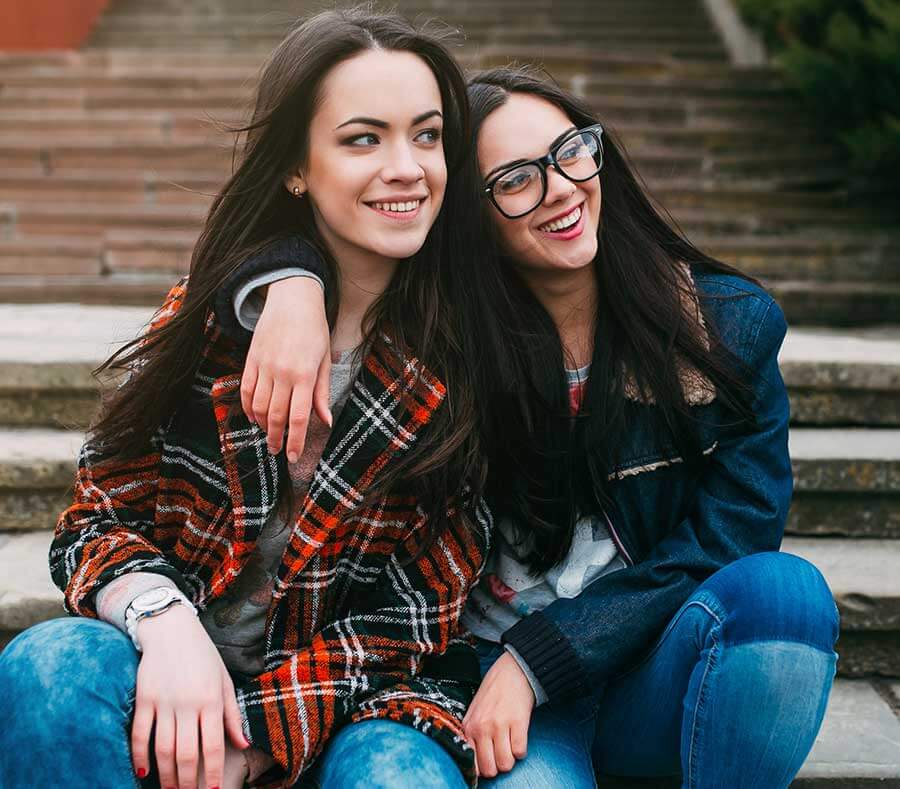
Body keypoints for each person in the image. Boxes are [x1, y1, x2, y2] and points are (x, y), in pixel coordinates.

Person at [217, 66, 842, 787]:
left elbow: (731, 538)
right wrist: (292, 282)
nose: (563, 190)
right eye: (516, 179)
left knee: (784, 591)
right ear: (470, 214)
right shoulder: (444, 338)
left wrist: (539, 657)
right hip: (499, 693)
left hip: (654, 667)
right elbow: (322, 233)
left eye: (571, 151)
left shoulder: (722, 328)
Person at [0, 8, 496, 789]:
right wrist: (166, 628)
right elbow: (94, 517)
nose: (407, 166)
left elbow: (417, 616)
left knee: (400, 778)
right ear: (298, 166)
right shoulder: (210, 321)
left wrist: (257, 735)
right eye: (363, 138)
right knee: (49, 666)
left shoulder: (465, 360)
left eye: (427, 135)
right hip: (173, 661)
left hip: (353, 697)